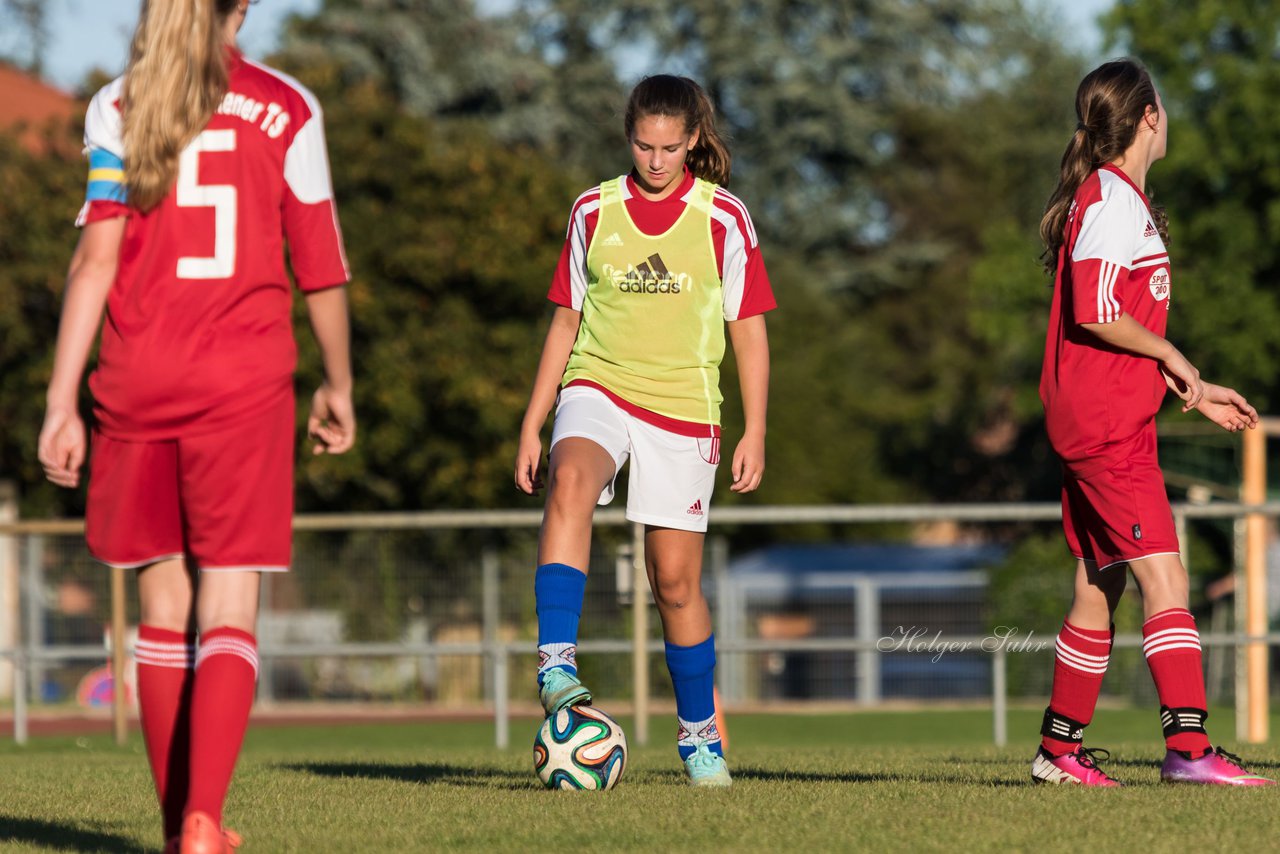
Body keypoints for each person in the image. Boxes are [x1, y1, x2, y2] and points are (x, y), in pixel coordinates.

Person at [37, 1, 355, 849]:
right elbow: (318, 261)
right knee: (229, 600)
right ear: (242, 7)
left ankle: (177, 822)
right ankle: (204, 819)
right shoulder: (286, 107)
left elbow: (95, 259)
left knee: (162, 607)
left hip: (135, 380)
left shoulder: (119, 102)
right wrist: (339, 381)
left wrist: (61, 399)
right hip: (241, 382)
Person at [515, 74, 774, 787]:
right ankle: (557, 663)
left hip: (684, 409)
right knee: (570, 480)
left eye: (669, 146)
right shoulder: (593, 211)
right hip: (598, 384)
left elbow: (748, 332)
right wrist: (534, 422)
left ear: (693, 139)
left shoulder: (723, 217)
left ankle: (700, 741)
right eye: (641, 143)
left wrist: (754, 430)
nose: (655, 160)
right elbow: (565, 321)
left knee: (675, 585)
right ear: (627, 134)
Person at [1034, 58, 1269, 787]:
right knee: (1166, 578)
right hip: (1105, 426)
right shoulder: (1110, 198)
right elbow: (1097, 309)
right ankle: (1190, 751)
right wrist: (1169, 350)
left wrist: (1191, 383)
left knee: (1097, 583)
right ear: (1148, 118)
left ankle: (1059, 752)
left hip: (1107, 416)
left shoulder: (1114, 196)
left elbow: (1120, 322)